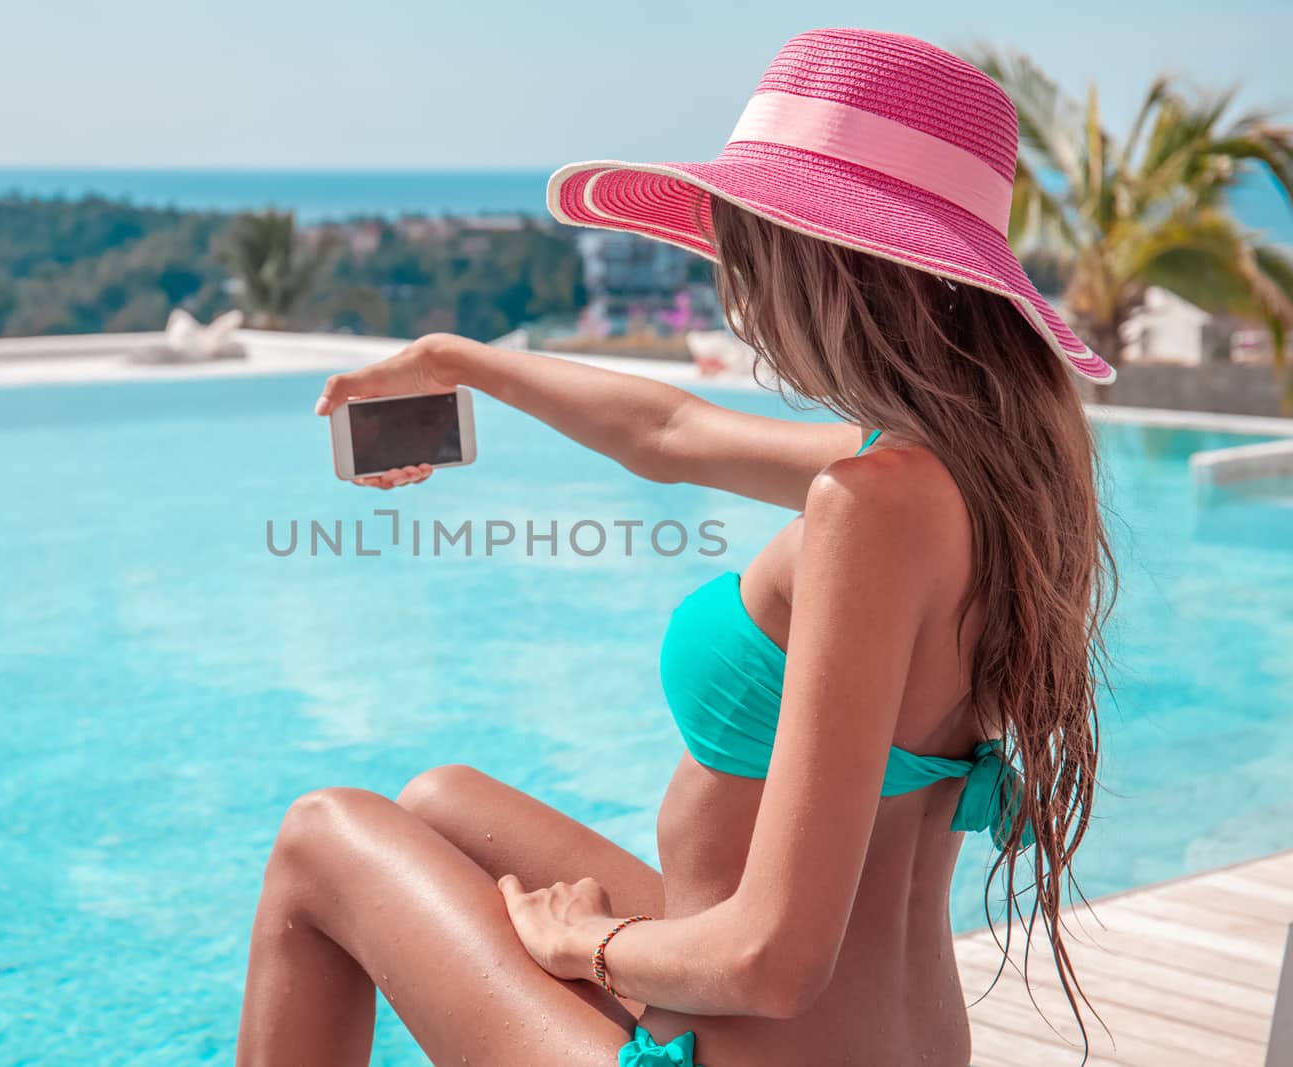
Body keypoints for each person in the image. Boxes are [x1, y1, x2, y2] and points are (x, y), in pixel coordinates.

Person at [237, 27, 1115, 1067]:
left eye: (749, 240)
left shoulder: (865, 506)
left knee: (319, 836)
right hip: (897, 1043)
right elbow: (670, 436)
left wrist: (593, 943)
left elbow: (776, 959)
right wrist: (460, 362)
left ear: (825, 262)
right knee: (439, 803)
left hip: (754, 1042)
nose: (735, 281)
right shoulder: (984, 472)